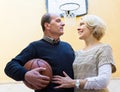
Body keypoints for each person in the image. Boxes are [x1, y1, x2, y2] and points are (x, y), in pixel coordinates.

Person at [4, 13, 75, 92]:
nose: (63, 24)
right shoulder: (35, 47)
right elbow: (9, 67)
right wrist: (26, 74)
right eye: (58, 21)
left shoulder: (67, 46)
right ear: (47, 26)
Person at [52, 15, 116, 92]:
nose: (78, 28)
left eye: (82, 24)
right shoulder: (77, 53)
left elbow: (104, 81)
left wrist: (74, 83)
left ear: (93, 27)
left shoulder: (104, 48)